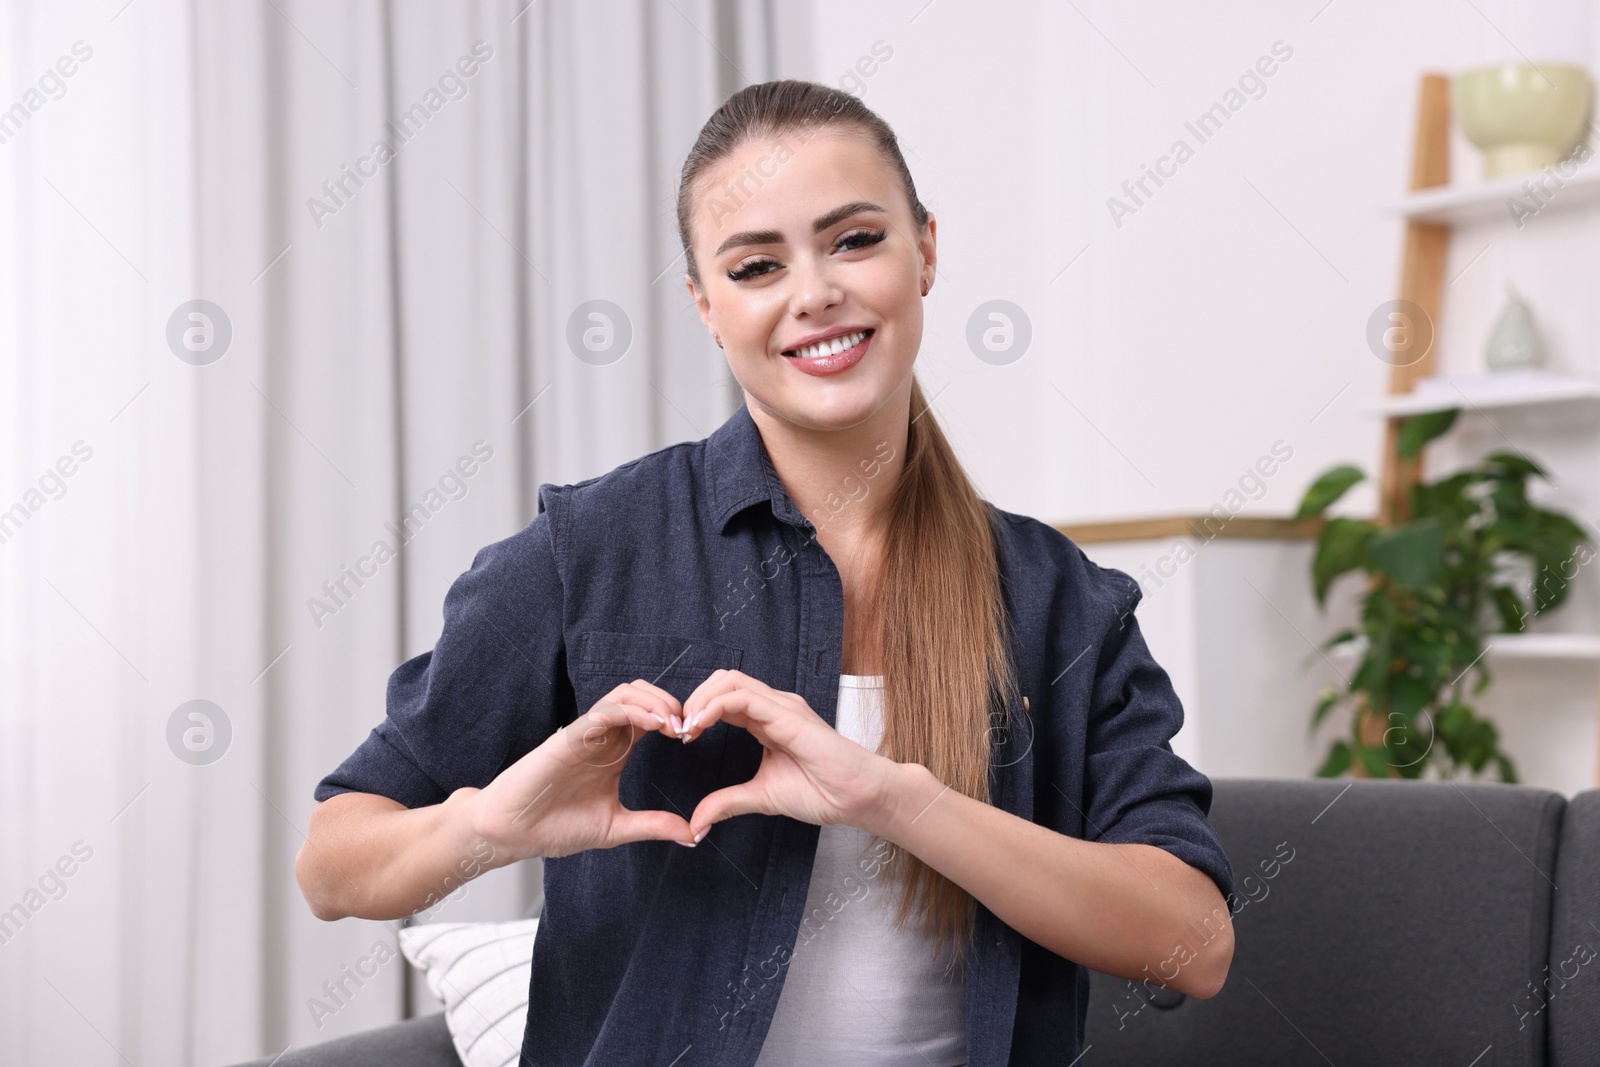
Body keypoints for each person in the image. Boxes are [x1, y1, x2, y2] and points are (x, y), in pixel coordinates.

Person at [297, 78, 1236, 1067]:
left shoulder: (1060, 602)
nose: (813, 292)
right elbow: (334, 862)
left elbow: (1193, 941)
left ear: (925, 249)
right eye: (755, 266)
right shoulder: (593, 548)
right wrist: (492, 823)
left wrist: (890, 797)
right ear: (706, 306)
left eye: (854, 240)